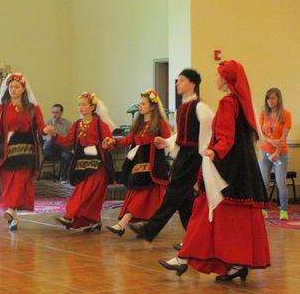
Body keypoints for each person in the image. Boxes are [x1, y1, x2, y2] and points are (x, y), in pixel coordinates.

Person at [159, 60, 270, 282]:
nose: (215, 79)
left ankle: (185, 258)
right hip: (238, 169)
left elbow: (226, 137)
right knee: (229, 218)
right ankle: (235, 263)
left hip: (224, 168)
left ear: (227, 79)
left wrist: (214, 152)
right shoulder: (239, 102)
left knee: (204, 211)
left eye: (218, 75)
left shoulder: (228, 102)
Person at [128, 69, 214, 242]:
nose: (177, 84)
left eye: (181, 80)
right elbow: (182, 135)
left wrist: (207, 154)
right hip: (183, 155)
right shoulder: (182, 107)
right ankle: (195, 238)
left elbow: (210, 131)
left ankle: (150, 229)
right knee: (184, 200)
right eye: (178, 81)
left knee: (173, 193)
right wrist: (167, 142)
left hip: (192, 157)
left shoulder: (201, 107)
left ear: (192, 84)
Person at [0, 73, 50, 231]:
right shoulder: (2, 107)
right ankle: (14, 217)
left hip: (26, 148)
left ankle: (10, 209)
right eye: (11, 87)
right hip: (7, 149)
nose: (13, 89)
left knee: (19, 179)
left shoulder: (33, 108)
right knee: (8, 182)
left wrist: (47, 130)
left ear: (23, 89)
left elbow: (41, 127)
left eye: (17, 87)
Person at [102, 90, 171, 236]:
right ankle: (146, 227)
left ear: (152, 106)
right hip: (138, 166)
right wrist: (113, 141)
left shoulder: (160, 123)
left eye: (143, 103)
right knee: (138, 197)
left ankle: (122, 224)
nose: (140, 106)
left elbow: (169, 140)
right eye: (140, 103)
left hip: (152, 168)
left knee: (143, 199)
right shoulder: (138, 124)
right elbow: (128, 140)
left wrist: (162, 142)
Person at [47, 92, 114, 231]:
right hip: (83, 163)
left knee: (86, 192)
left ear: (92, 107)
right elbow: (67, 142)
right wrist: (54, 135)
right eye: (79, 105)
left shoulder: (100, 125)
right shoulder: (77, 125)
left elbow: (109, 142)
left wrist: (107, 143)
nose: (81, 107)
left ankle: (69, 216)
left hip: (98, 165)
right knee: (86, 193)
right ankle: (94, 222)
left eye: (84, 104)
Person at [258, 88, 292, 220]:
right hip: (265, 152)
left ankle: (283, 210)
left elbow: (283, 137)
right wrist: (271, 141)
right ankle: (264, 208)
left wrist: (277, 152)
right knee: (264, 182)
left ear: (278, 99)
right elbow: (261, 135)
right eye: (268, 98)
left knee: (280, 182)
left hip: (280, 153)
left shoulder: (286, 114)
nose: (270, 101)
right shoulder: (263, 114)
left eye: (273, 98)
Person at [42, 104, 72, 182]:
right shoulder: (47, 122)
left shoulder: (67, 124)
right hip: (49, 150)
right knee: (53, 139)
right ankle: (69, 151)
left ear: (61, 113)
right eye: (53, 112)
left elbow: (70, 139)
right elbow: (44, 138)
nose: (54, 115)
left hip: (61, 150)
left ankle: (63, 178)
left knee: (66, 156)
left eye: (56, 112)